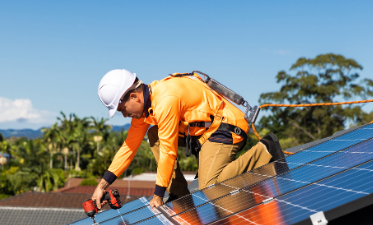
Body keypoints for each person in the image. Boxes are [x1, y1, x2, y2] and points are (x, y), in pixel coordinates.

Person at [92, 69, 284, 209]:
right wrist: (102, 186)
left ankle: (265, 149)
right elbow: (129, 147)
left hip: (226, 127)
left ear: (134, 97)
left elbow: (168, 150)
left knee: (211, 186)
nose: (124, 115)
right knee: (154, 134)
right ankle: (179, 195)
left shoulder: (165, 99)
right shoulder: (145, 110)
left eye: (122, 109)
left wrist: (158, 195)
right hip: (203, 135)